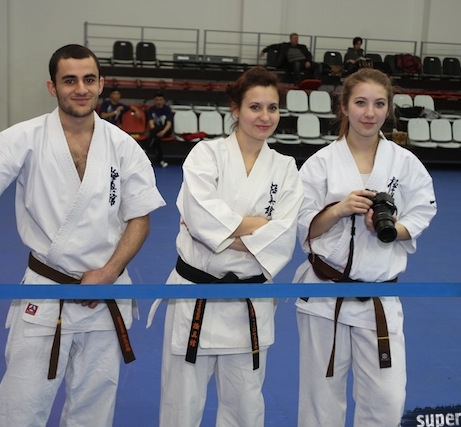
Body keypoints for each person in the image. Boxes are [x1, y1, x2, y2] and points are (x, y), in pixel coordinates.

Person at [0, 44, 166, 426]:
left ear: (101, 84)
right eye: (69, 80)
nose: (80, 89)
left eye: (89, 79)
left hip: (105, 294)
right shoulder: (22, 138)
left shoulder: (124, 147)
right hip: (46, 290)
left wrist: (108, 272)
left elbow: (140, 218)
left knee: (94, 411)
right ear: (52, 86)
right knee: (19, 410)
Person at [146, 66, 304, 427]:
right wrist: (257, 226)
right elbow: (200, 221)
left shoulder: (285, 168)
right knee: (180, 405)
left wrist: (221, 230)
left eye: (272, 108)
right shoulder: (206, 154)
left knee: (245, 408)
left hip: (248, 302)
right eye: (255, 107)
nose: (265, 117)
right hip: (195, 294)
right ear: (235, 109)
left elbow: (283, 236)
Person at [292, 68, 437, 427]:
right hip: (325, 297)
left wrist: (393, 229)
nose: (369, 113)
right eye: (360, 103)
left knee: (387, 401)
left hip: (379, 297)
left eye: (379, 104)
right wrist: (339, 209)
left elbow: (423, 210)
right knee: (321, 401)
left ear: (389, 109)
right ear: (344, 107)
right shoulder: (321, 163)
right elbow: (302, 225)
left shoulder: (404, 163)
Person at [146, 92, 174, 168]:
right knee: (157, 140)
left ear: (163, 101)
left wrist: (163, 132)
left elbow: (169, 124)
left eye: (160, 100)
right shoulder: (151, 110)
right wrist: (155, 132)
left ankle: (147, 149)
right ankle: (161, 160)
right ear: (154, 101)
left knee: (159, 128)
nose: (159, 101)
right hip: (155, 132)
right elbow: (151, 123)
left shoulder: (167, 109)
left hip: (166, 130)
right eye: (157, 100)